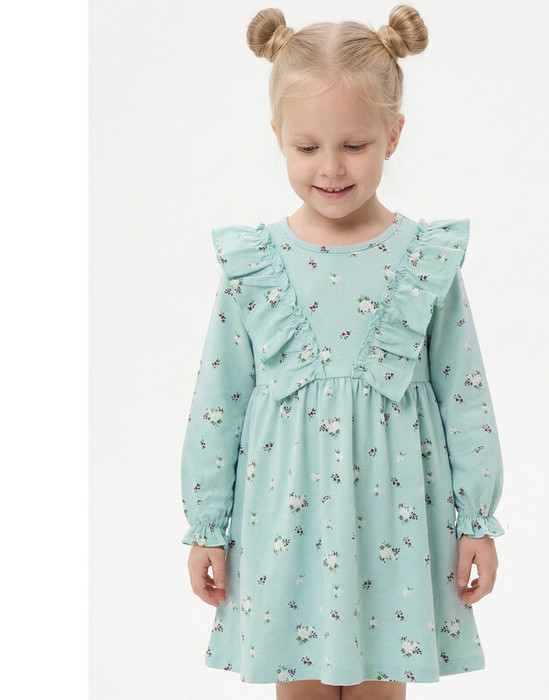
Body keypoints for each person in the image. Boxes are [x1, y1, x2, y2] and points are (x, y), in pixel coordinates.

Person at [180, 5, 505, 698]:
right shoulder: (255, 266)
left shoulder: (424, 262)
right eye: (307, 148)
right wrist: (206, 526)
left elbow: (464, 394)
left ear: (394, 134)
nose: (330, 168)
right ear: (277, 136)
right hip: (284, 530)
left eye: (355, 145)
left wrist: (476, 521)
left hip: (397, 528)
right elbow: (218, 402)